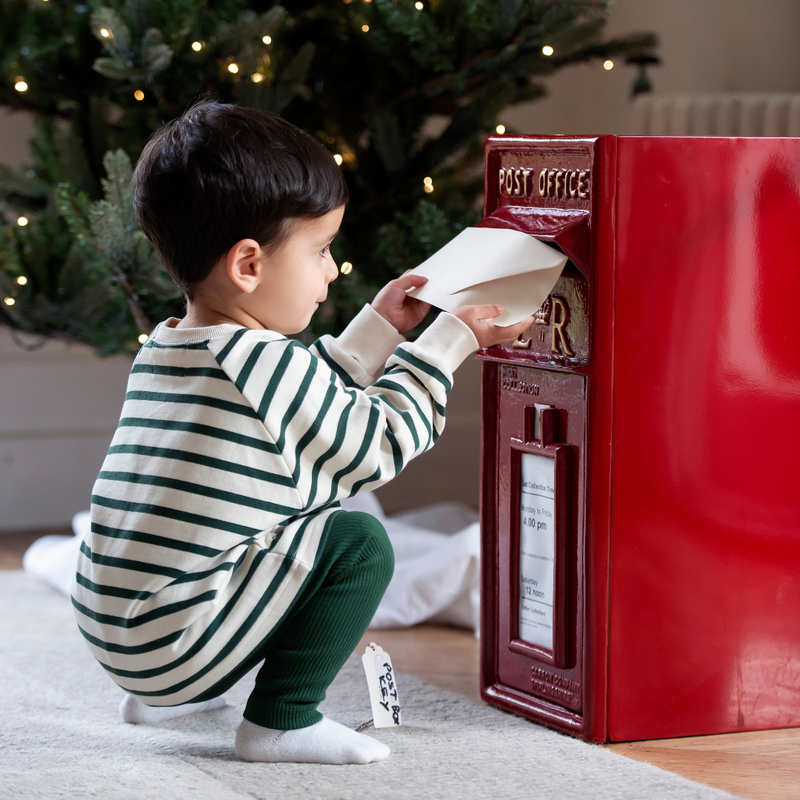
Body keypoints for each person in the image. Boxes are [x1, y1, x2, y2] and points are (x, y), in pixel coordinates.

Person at [71, 100, 533, 765]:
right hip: (175, 644)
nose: (332, 270)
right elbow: (376, 441)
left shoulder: (175, 346)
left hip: (123, 631)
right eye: (320, 250)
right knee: (358, 542)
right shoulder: (260, 366)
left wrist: (378, 328)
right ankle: (282, 721)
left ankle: (175, 695)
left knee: (269, 544)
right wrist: (450, 341)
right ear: (248, 266)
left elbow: (301, 398)